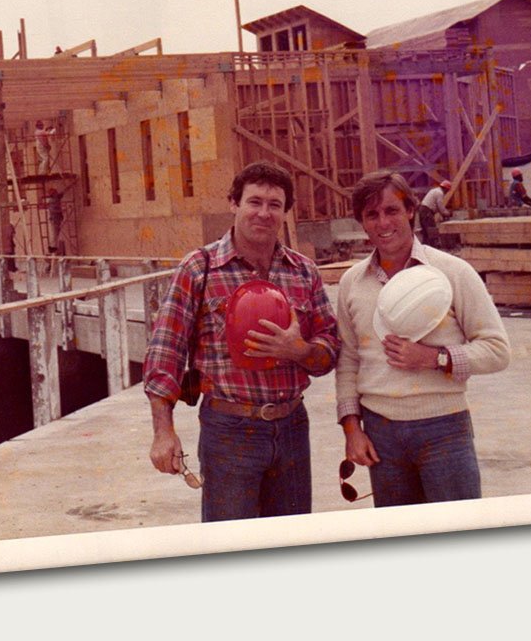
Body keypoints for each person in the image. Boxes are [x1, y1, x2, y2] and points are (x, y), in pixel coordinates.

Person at [143, 160, 339, 521]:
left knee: (293, 540)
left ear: (285, 211)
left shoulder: (303, 271)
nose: (264, 213)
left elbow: (330, 345)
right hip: (229, 431)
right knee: (231, 542)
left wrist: (300, 350)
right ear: (234, 203)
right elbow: (165, 352)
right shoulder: (199, 268)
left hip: (292, 426)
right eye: (254, 201)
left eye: (274, 204)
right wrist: (163, 432)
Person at [336, 171, 510, 506]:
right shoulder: (352, 283)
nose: (383, 223)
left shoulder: (453, 272)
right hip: (381, 434)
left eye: (392, 210)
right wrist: (351, 428)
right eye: (372, 215)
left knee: (457, 530)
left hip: (443, 429)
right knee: (401, 534)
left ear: (411, 210)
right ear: (362, 222)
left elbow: (497, 350)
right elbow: (348, 359)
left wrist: (434, 358)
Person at [417, 179, 452, 246]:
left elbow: (437, 207)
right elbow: (440, 206)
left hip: (423, 210)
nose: (447, 192)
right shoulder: (440, 193)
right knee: (431, 229)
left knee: (425, 231)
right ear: (446, 189)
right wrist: (447, 213)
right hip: (426, 211)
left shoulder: (434, 190)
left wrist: (442, 213)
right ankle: (433, 246)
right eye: (447, 191)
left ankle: (426, 246)